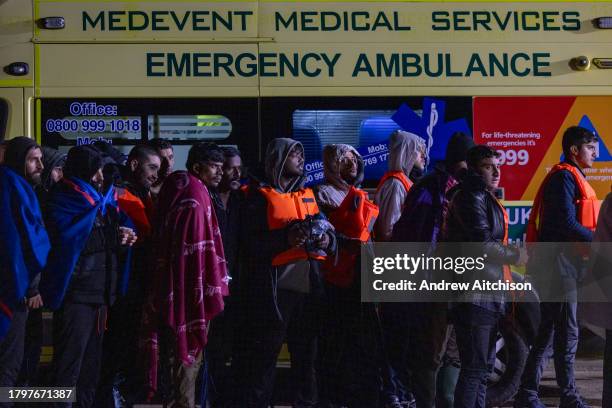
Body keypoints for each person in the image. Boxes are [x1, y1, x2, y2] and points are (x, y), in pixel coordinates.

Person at [232, 138, 335, 408]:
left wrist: (327, 242)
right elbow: (248, 244)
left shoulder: (308, 194)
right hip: (274, 291)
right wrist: (286, 238)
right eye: (294, 154)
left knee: (308, 359)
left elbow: (331, 234)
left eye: (301, 154)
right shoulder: (254, 196)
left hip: (310, 289)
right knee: (264, 358)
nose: (301, 159)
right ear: (278, 158)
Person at [40, 145, 136, 408]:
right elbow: (66, 239)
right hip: (77, 295)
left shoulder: (102, 201)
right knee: (68, 369)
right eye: (95, 172)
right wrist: (110, 236)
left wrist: (126, 233)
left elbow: (117, 226)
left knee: (90, 369)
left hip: (101, 294)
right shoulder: (63, 197)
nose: (100, 178)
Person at [387, 132, 474, 408]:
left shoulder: (464, 189)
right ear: (461, 162)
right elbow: (413, 235)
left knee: (453, 352)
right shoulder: (429, 188)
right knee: (429, 353)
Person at [515, 126, 600, 408]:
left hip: (560, 266)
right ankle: (569, 395)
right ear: (574, 150)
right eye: (590, 147)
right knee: (567, 332)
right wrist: (598, 240)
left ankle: (528, 393)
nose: (596, 153)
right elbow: (566, 223)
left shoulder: (569, 177)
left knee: (550, 332)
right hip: (559, 267)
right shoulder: (564, 177)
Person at [141, 142, 228, 408]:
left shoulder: (186, 187)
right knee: (186, 357)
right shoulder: (193, 193)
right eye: (215, 166)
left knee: (180, 359)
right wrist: (196, 289)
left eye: (222, 167)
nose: (220, 173)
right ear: (197, 166)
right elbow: (189, 254)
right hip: (187, 291)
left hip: (175, 288)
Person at [443, 145, 527, 408]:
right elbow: (481, 244)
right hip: (475, 293)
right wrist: (515, 256)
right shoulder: (472, 196)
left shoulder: (481, 195)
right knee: (475, 369)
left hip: (486, 293)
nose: (497, 171)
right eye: (489, 166)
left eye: (498, 165)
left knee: (481, 368)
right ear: (474, 169)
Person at [314, 144, 381, 407]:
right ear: (332, 165)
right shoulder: (323, 193)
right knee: (337, 340)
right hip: (337, 278)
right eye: (344, 160)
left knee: (362, 341)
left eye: (354, 158)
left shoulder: (360, 195)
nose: (351, 163)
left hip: (362, 276)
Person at [98, 144, 161, 406]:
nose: (156, 174)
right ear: (134, 165)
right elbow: (142, 235)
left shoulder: (141, 192)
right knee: (118, 345)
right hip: (124, 285)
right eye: (152, 167)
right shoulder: (122, 194)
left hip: (135, 283)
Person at [0, 137, 50, 403]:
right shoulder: (15, 187)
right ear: (19, 160)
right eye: (34, 159)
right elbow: (26, 241)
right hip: (12, 291)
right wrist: (31, 286)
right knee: (9, 365)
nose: (40, 166)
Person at [16, 146, 66, 387]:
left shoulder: (37, 193)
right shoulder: (32, 197)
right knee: (21, 355)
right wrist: (33, 288)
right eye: (58, 169)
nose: (56, 174)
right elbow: (30, 244)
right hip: (24, 289)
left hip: (32, 287)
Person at [207, 146, 243, 407]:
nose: (235, 172)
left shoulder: (243, 200)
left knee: (235, 346)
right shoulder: (206, 199)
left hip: (239, 286)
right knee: (214, 348)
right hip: (212, 285)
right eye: (230, 167)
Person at [374, 130, 426, 241]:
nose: (424, 156)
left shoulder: (403, 182)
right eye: (419, 151)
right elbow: (387, 231)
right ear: (406, 153)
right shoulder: (395, 185)